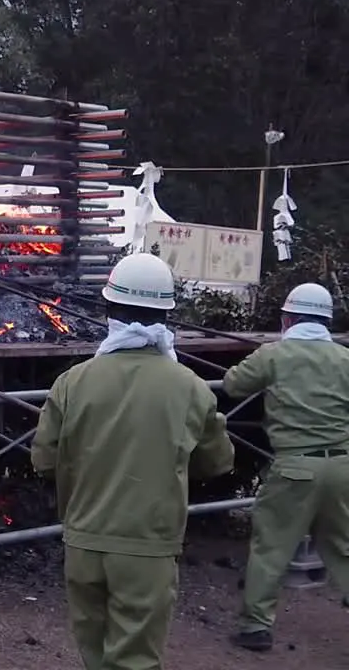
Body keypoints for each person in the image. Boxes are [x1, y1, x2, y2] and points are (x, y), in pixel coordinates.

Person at [32, 252, 236, 670]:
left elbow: (44, 461)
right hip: (147, 549)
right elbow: (217, 462)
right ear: (166, 316)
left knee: (95, 655)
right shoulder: (190, 388)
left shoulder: (72, 382)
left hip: (84, 543)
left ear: (110, 311)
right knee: (134, 661)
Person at [223, 282, 349, 652]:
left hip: (294, 468)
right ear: (327, 320)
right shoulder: (345, 359)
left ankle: (255, 628)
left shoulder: (274, 355)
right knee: (343, 547)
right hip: (342, 467)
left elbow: (232, 384)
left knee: (271, 549)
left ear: (288, 318)